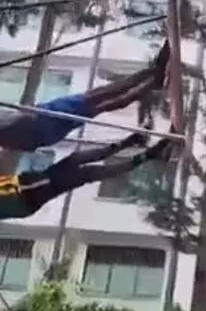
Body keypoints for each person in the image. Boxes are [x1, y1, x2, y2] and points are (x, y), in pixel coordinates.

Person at [0, 41, 170, 152]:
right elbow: (17, 121)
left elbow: (20, 132)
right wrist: (30, 114)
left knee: (101, 99)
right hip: (44, 121)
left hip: (45, 128)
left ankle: (153, 76)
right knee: (102, 98)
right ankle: (154, 76)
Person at [0, 131, 176, 221]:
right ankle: (148, 154)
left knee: (76, 160)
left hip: (26, 188)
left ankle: (130, 142)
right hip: (25, 195)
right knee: (88, 173)